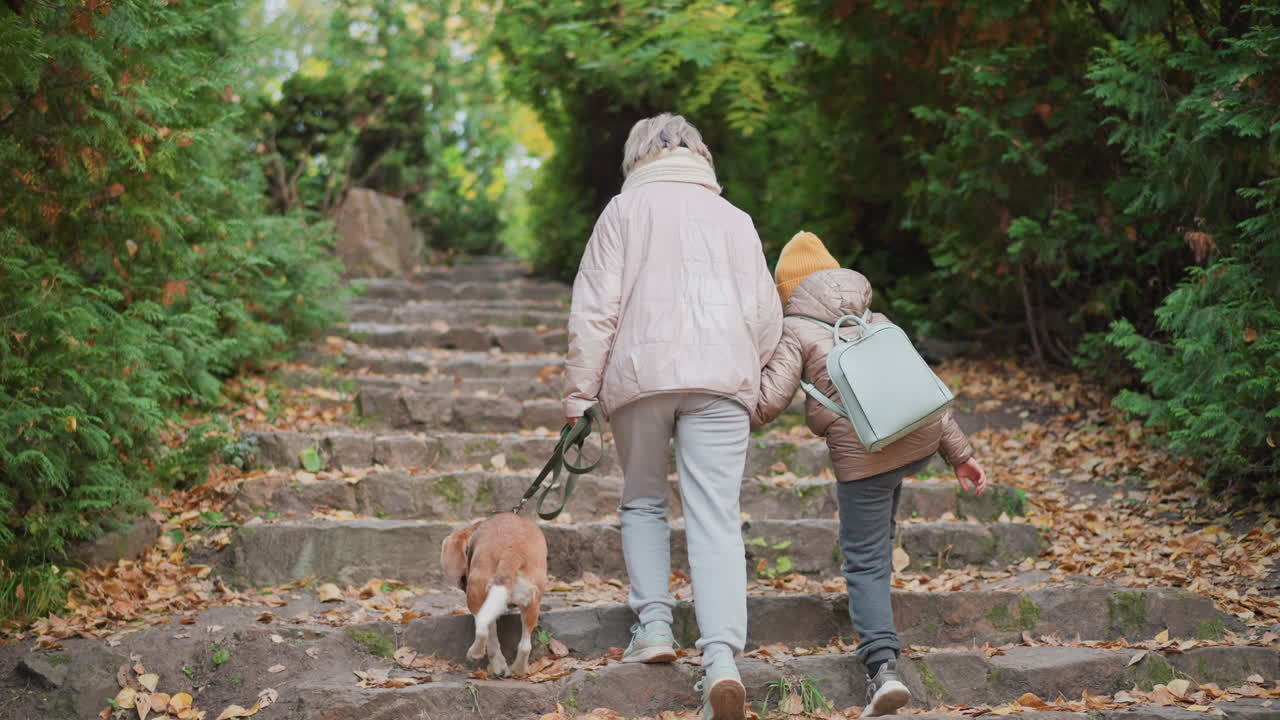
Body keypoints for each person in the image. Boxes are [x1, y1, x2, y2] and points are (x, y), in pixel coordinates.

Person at [562, 113, 783, 720]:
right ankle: (721, 660)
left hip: (641, 375)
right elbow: (767, 316)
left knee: (642, 501)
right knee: (716, 516)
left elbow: (595, 310)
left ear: (637, 156)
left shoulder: (622, 211)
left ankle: (655, 625)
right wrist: (747, 367)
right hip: (723, 380)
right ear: (701, 155)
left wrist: (580, 394)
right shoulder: (736, 219)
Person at [751, 231, 987, 717]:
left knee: (865, 559)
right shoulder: (874, 318)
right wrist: (960, 455)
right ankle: (881, 642)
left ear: (787, 292)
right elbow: (921, 389)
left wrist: (720, 395)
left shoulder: (795, 329)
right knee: (881, 531)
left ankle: (882, 668)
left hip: (866, 455)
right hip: (917, 442)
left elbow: (767, 404)